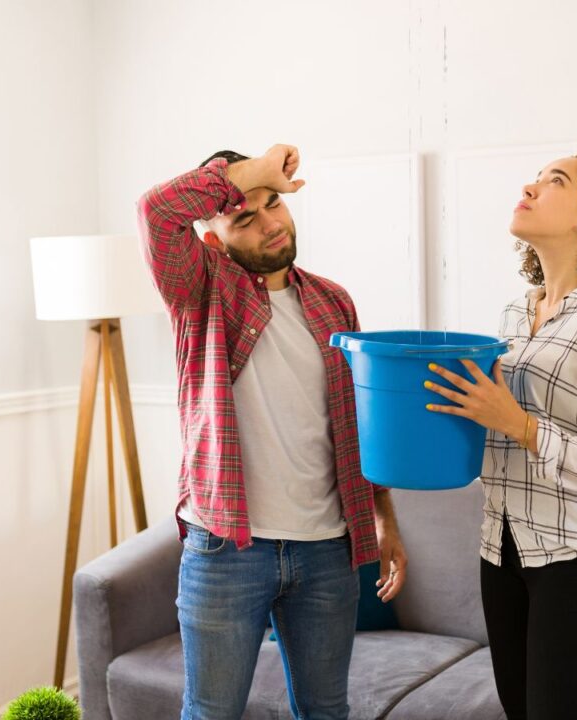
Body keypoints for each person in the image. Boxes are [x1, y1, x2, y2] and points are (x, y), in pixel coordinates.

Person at [137, 144, 408, 720]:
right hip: (227, 548)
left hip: (328, 551)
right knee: (211, 712)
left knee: (326, 712)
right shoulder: (200, 290)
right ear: (213, 237)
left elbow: (362, 425)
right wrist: (254, 171)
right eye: (244, 216)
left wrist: (383, 517)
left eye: (273, 205)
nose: (270, 224)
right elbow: (158, 211)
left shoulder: (335, 302)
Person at [425, 153, 577, 719]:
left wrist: (519, 424)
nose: (531, 185)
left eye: (556, 181)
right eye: (536, 177)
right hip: (502, 547)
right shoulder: (514, 313)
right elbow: (498, 428)